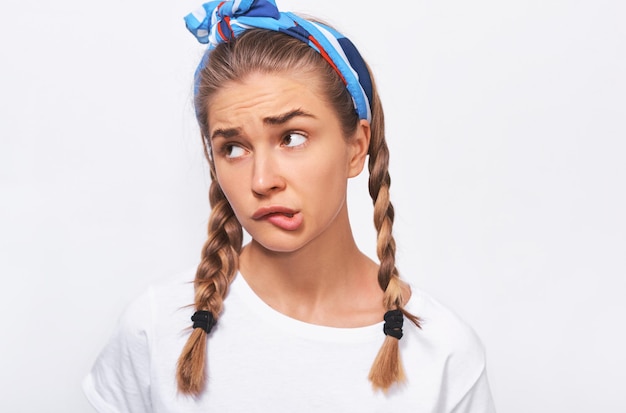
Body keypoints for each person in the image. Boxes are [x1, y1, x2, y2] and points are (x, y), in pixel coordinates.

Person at [83, 0, 496, 411]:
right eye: (233, 148)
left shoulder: (443, 355)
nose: (262, 181)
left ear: (356, 147)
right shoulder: (155, 327)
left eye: (292, 138)